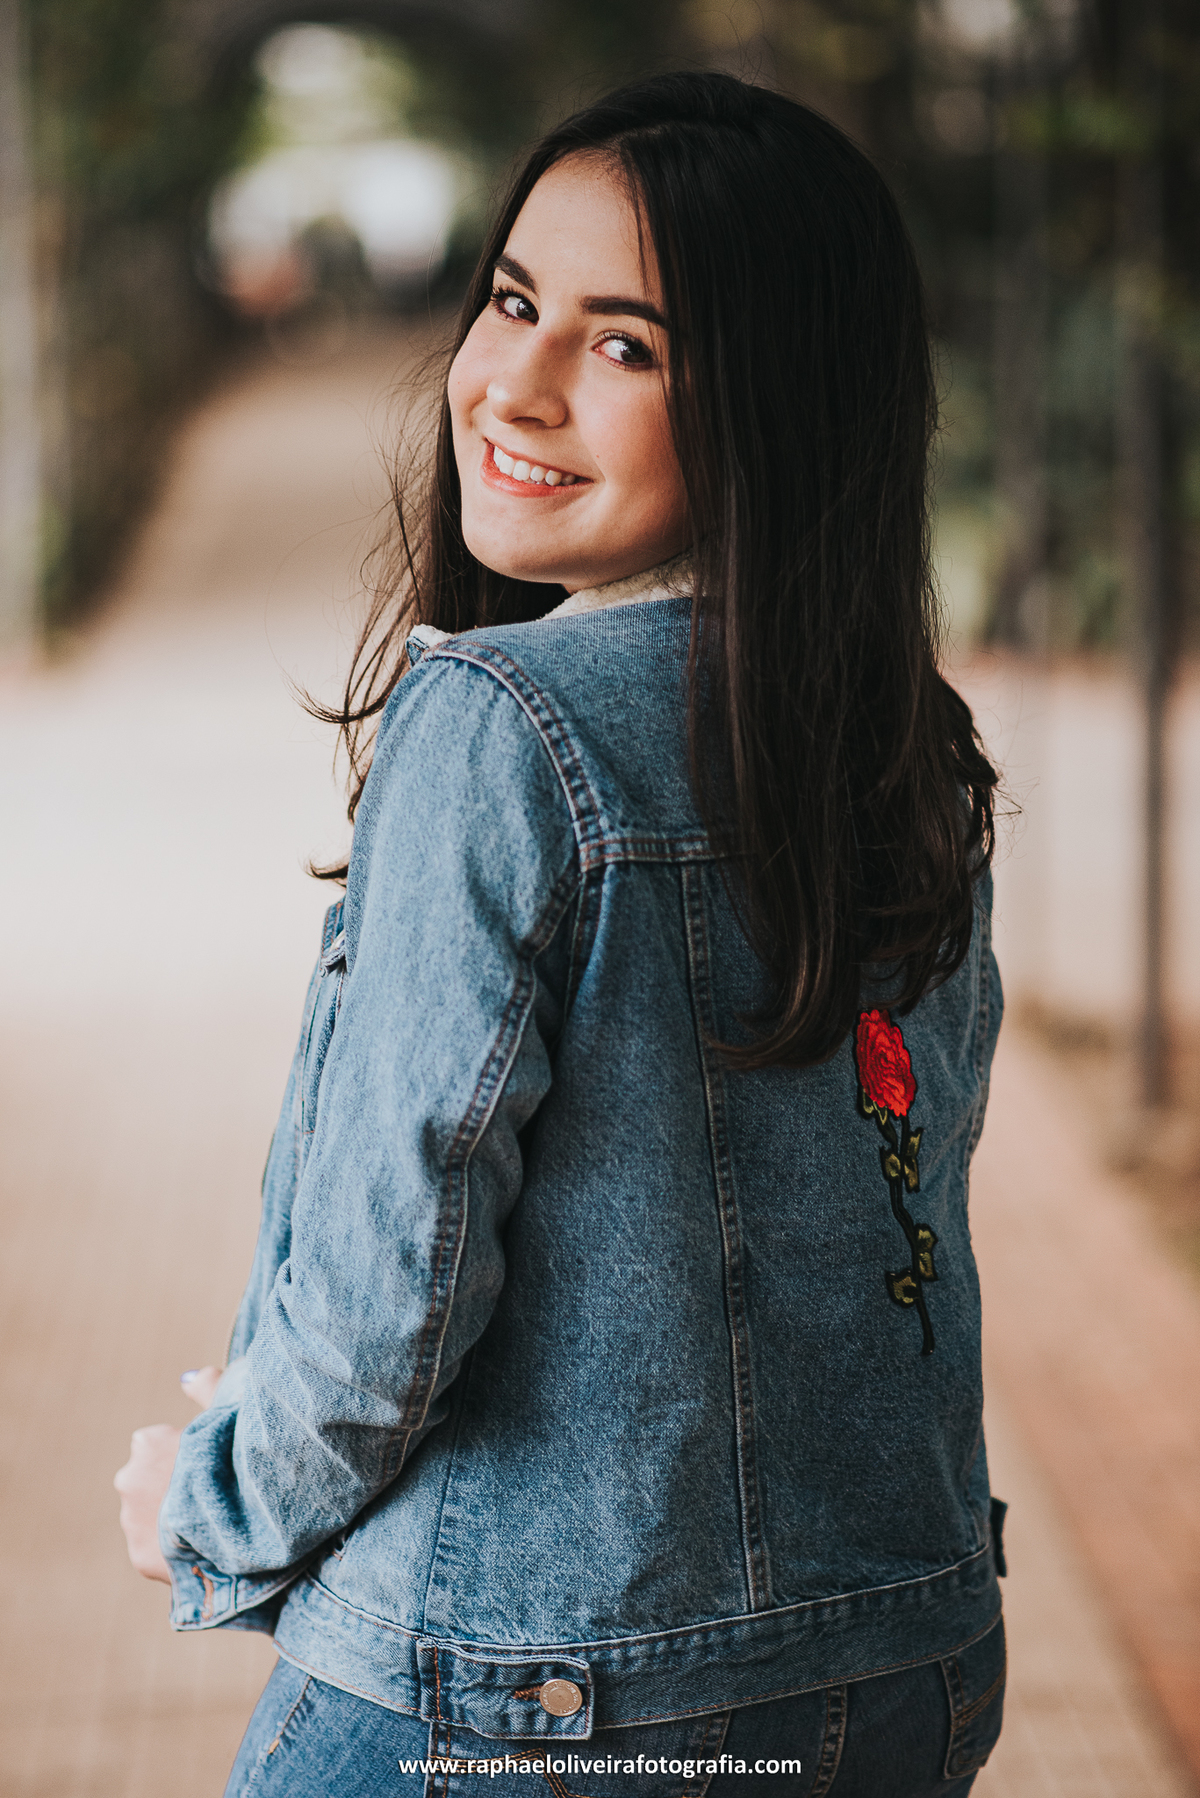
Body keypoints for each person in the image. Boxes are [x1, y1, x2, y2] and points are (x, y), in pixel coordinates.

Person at [115, 72, 1006, 1797]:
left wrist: (208, 1500)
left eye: (625, 345)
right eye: (514, 301)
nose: (512, 384)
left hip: (523, 1701)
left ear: (778, 397)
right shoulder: (902, 738)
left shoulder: (504, 724)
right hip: (902, 1663)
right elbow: (893, 1209)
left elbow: (390, 1295)